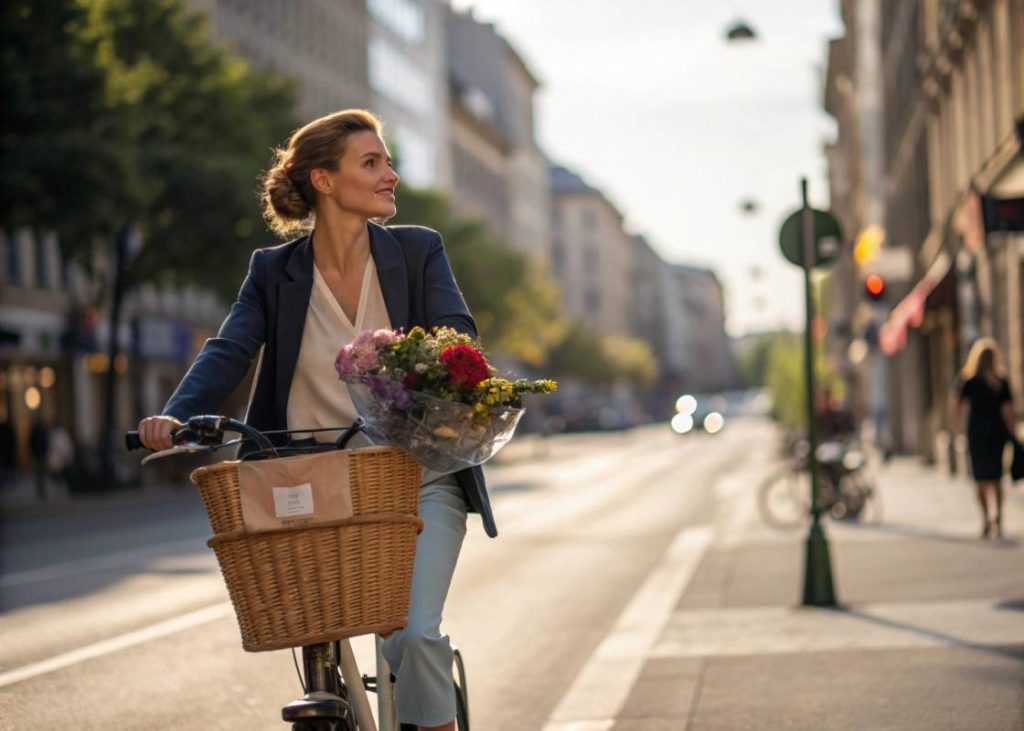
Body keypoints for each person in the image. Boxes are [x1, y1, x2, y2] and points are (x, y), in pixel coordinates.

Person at [136, 109, 491, 731]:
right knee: (320, 630)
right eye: (372, 163)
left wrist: (426, 361)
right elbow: (230, 349)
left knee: (411, 632)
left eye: (387, 162)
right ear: (324, 181)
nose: (391, 176)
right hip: (307, 486)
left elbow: (456, 332)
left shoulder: (417, 250)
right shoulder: (273, 272)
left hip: (414, 479)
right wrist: (177, 414)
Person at [949, 338, 1019, 539]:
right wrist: (1014, 431)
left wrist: (955, 429)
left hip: (977, 433)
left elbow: (955, 405)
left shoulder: (969, 381)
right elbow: (1008, 410)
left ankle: (986, 518)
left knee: (980, 478)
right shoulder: (1000, 381)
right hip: (997, 433)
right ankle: (998, 517)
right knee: (996, 477)